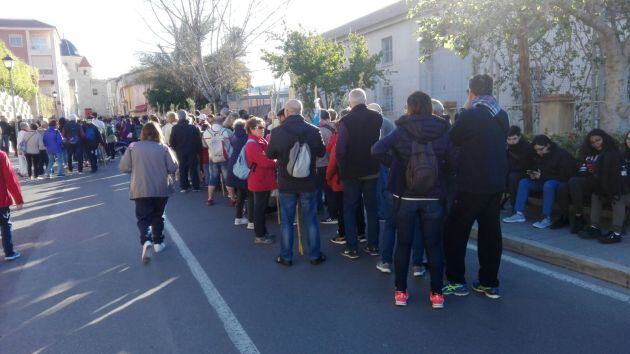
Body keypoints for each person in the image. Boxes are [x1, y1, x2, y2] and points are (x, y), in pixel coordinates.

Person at [372, 91, 453, 309]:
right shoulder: (443, 129)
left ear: (409, 107)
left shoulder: (402, 130)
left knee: (404, 244)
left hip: (405, 194)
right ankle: (437, 294)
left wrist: (396, 165)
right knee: (434, 244)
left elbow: (377, 149)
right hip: (434, 195)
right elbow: (454, 159)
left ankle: (401, 292)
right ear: (429, 106)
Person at [443, 74, 509, 299]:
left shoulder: (470, 115)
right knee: (491, 233)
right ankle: (489, 283)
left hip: (471, 183)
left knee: (455, 232)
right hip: (496, 183)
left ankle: (455, 281)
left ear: (471, 92)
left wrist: (465, 109)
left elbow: (453, 139)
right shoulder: (501, 115)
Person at [266, 99, 327, 266]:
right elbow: (322, 153)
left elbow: (270, 154)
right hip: (308, 182)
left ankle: (286, 256)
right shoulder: (314, 130)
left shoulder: (277, 132)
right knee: (311, 220)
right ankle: (314, 255)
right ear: (301, 111)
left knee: (287, 221)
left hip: (286, 183)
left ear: (286, 112)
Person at [119, 122, 179, 263]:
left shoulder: (133, 147)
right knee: (158, 215)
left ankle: (146, 240)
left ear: (143, 133)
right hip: (160, 187)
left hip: (140, 187)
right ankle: (158, 242)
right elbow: (173, 166)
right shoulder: (163, 148)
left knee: (143, 217)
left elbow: (124, 167)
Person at [335, 88, 383, 259]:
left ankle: (352, 247)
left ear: (350, 103)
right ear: (365, 100)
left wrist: (342, 168)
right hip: (371, 168)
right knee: (372, 209)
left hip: (351, 171)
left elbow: (340, 149)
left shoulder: (346, 121)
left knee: (350, 208)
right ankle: (373, 245)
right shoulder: (377, 117)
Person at [503, 135, 575, 228]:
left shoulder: (561, 154)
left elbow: (566, 174)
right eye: (536, 150)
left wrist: (543, 176)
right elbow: (530, 166)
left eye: (541, 149)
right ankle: (519, 213)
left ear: (548, 145)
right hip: (542, 180)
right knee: (524, 182)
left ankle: (546, 217)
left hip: (557, 181)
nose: (538, 152)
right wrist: (532, 174)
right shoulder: (536, 154)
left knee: (548, 185)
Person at [556, 129, 616, 233]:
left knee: (574, 181)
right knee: (563, 187)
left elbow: (611, 172)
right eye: (593, 142)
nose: (596, 144)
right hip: (586, 181)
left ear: (604, 139)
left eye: (598, 140)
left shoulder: (611, 152)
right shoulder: (587, 153)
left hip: (601, 183)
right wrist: (585, 169)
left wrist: (595, 171)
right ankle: (564, 217)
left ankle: (579, 217)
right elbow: (581, 168)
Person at [326, 120, 367, 246]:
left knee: (343, 210)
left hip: (340, 181)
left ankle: (343, 234)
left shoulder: (338, 142)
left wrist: (328, 178)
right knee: (358, 206)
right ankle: (361, 232)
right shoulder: (359, 141)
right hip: (356, 179)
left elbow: (332, 164)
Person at [244, 117, 277, 244]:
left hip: (263, 178)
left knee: (262, 208)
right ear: (251, 129)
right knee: (259, 209)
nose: (263, 130)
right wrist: (276, 162)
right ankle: (259, 235)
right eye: (260, 127)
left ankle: (263, 232)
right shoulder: (252, 144)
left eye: (263, 127)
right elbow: (264, 161)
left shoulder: (259, 140)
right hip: (259, 179)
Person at [368, 102, 395, 222]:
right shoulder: (388, 122)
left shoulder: (380, 122)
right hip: (387, 159)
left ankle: (382, 212)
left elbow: (378, 145)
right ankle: (385, 211)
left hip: (381, 160)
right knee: (383, 186)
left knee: (380, 187)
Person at [202, 114, 233, 205]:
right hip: (226, 157)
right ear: (221, 123)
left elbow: (204, 145)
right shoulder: (226, 131)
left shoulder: (206, 132)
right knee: (228, 179)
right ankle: (232, 198)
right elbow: (233, 142)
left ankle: (210, 198)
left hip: (213, 157)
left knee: (213, 178)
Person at [227, 118, 252, 226]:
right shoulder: (247, 138)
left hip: (233, 167)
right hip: (243, 168)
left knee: (241, 194)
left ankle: (238, 218)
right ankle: (251, 221)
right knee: (250, 196)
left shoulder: (234, 137)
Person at [0, 149, 24, 261]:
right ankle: (9, 252)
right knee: (5, 226)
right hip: (1, 200)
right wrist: (18, 199)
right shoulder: (1, 155)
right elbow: (10, 179)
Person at [170, 112, 202, 192]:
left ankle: (184, 186)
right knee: (193, 168)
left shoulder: (175, 128)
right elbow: (198, 140)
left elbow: (172, 141)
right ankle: (196, 186)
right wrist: (197, 150)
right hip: (192, 150)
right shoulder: (193, 127)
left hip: (180, 151)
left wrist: (176, 149)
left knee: (182, 168)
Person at [316, 109, 337, 224]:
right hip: (333, 162)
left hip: (322, 163)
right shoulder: (336, 127)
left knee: (328, 191)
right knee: (333, 190)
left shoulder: (321, 131)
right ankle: (335, 213)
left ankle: (333, 215)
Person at [506, 126, 533, 211]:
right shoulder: (505, 146)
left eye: (514, 139)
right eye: (509, 139)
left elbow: (525, 165)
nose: (511, 142)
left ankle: (514, 205)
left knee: (513, 177)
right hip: (511, 170)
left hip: (524, 172)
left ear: (519, 137)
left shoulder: (526, 147)